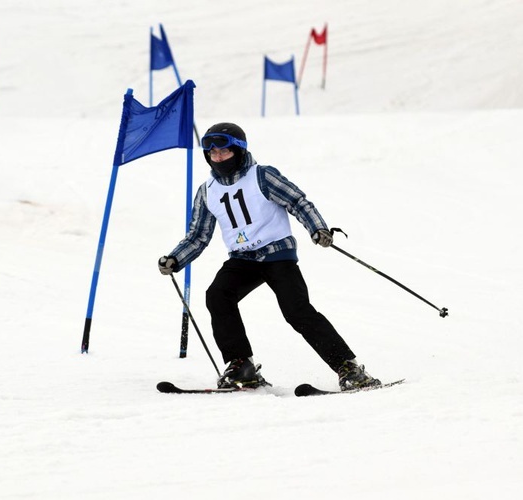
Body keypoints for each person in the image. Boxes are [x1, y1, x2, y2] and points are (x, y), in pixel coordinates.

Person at [157, 122, 381, 391]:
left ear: (238, 151)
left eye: (224, 152)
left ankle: (349, 368)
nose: (218, 158)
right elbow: (198, 235)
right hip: (242, 259)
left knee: (297, 311)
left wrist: (317, 228)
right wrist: (176, 259)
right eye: (212, 153)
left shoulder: (262, 176)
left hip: (277, 254)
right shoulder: (207, 192)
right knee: (217, 295)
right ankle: (241, 365)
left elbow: (297, 201)